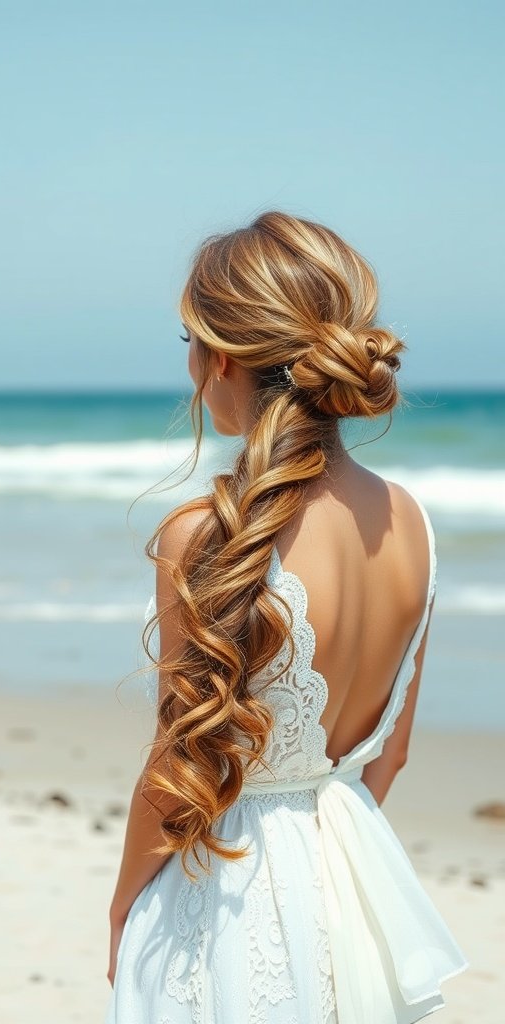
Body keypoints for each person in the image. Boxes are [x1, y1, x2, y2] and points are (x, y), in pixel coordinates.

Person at [105, 211, 469, 1023]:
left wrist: (125, 902)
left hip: (225, 890)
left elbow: (180, 769)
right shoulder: (412, 521)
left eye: (190, 344)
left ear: (222, 354)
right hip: (350, 876)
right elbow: (393, 752)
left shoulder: (205, 534)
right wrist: (324, 858)